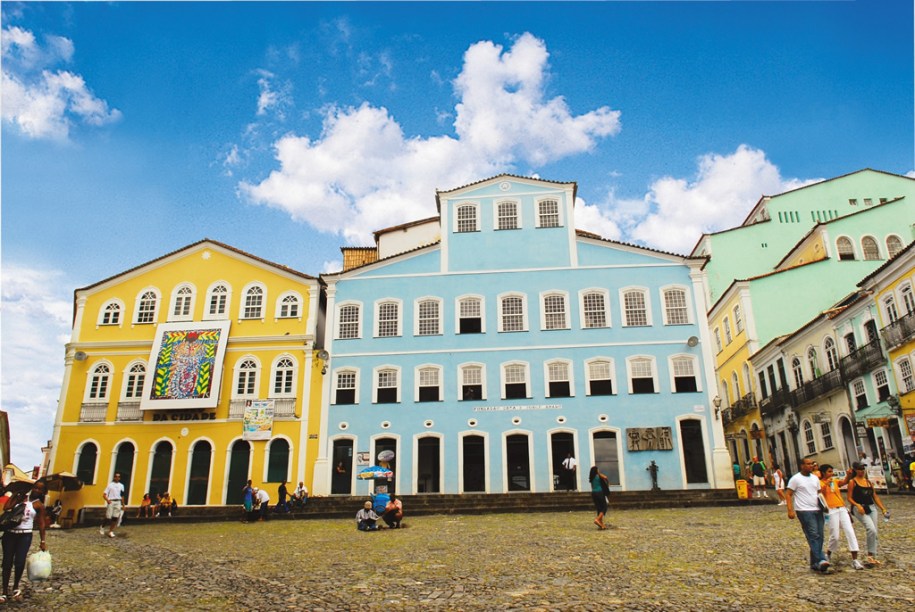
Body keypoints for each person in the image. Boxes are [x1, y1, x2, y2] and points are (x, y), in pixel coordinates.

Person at [1, 481, 48, 603]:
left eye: (40, 489)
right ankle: (4, 592)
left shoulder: (39, 505)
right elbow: (6, 507)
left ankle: (16, 588)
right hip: (10, 534)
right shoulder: (20, 498)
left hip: (25, 535)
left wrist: (43, 541)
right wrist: (16, 495)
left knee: (20, 562)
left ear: (42, 492)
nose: (37, 490)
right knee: (7, 562)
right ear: (32, 488)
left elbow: (42, 524)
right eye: (36, 488)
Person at [785, 458, 830, 573]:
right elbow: (788, 494)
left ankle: (814, 563)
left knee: (820, 535)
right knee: (813, 535)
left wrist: (824, 505)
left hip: (817, 509)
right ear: (802, 466)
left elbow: (819, 493)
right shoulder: (795, 479)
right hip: (804, 510)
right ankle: (821, 559)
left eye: (812, 464)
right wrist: (790, 510)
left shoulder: (815, 478)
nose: (811, 466)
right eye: (808, 464)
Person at [818, 464, 864, 570]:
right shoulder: (819, 483)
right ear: (823, 473)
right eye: (829, 471)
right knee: (835, 535)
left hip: (841, 508)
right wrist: (826, 484)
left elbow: (843, 482)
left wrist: (848, 476)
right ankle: (828, 554)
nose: (831, 473)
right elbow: (820, 494)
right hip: (830, 510)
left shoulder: (834, 481)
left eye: (832, 471)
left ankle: (855, 560)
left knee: (850, 532)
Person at [847, 461, 889, 567]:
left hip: (871, 507)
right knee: (871, 529)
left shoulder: (868, 482)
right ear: (855, 470)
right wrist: (857, 505)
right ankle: (870, 555)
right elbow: (849, 498)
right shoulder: (853, 482)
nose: (861, 471)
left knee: (875, 531)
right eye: (859, 469)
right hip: (859, 508)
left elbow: (875, 497)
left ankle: (871, 555)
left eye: (863, 469)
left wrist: (883, 509)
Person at [100, 472, 125, 538]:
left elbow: (122, 496)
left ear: (120, 478)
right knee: (108, 517)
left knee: (115, 517)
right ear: (114, 477)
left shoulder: (121, 485)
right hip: (111, 501)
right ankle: (102, 526)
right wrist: (107, 500)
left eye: (118, 477)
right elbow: (104, 494)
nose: (117, 478)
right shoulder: (110, 485)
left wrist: (123, 505)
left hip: (118, 502)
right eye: (116, 476)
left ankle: (110, 531)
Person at [588, 466, 610, 530]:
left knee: (599, 508)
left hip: (594, 493)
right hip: (600, 492)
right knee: (604, 507)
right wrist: (608, 483)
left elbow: (592, 487)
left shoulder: (591, 478)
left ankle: (601, 523)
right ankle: (597, 519)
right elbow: (605, 477)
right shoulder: (598, 476)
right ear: (596, 470)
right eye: (598, 469)